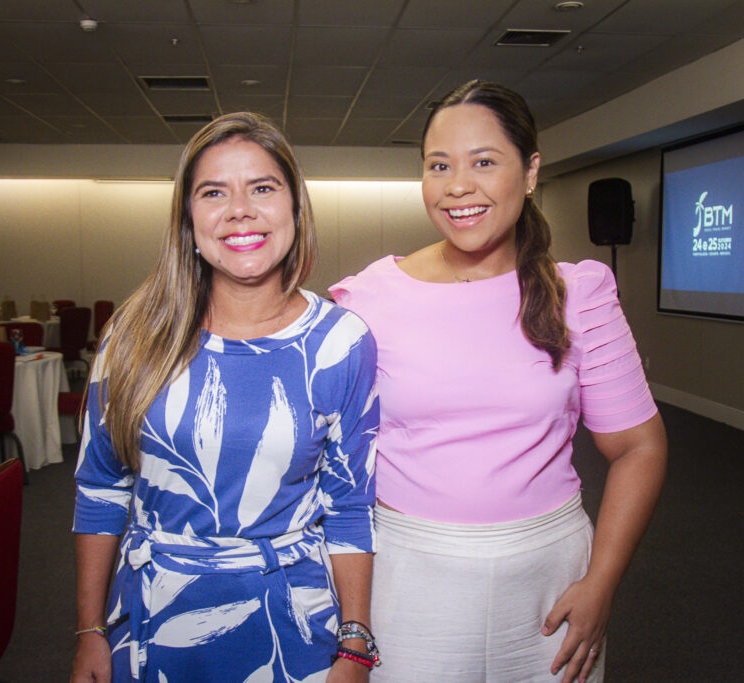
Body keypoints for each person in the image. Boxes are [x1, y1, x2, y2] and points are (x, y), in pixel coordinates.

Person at [330, 80, 667, 683]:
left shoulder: (577, 293)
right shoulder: (369, 299)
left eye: (484, 161)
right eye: (439, 166)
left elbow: (640, 447)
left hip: (550, 575)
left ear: (531, 170)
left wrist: (602, 583)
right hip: (410, 574)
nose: (458, 185)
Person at [71, 112, 380, 682]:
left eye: (262, 188)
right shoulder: (134, 334)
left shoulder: (342, 342)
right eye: (214, 192)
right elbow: (100, 488)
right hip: (151, 622)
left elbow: (349, 507)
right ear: (189, 218)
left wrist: (355, 644)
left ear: (294, 207)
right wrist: (90, 631)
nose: (241, 209)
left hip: (291, 627)